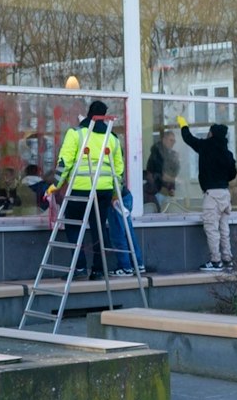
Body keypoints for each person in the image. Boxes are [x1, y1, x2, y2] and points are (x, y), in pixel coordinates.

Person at [56, 100, 138, 276]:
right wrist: (116, 192)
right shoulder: (112, 137)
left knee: (73, 226)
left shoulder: (76, 133)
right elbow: (119, 169)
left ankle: (79, 266)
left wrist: (55, 184)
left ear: (88, 113)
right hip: (104, 190)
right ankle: (99, 269)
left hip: (80, 188)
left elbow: (64, 162)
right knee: (98, 228)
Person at [179, 114, 237, 271]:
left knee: (211, 228)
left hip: (212, 195)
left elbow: (189, 139)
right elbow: (232, 174)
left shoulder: (205, 146)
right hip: (225, 194)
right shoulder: (227, 153)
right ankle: (228, 259)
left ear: (211, 133)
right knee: (224, 228)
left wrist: (183, 125)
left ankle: (215, 261)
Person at [144, 129, 179, 212]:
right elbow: (162, 175)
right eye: (171, 140)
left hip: (163, 192)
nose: (173, 143)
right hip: (155, 192)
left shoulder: (169, 154)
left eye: (174, 141)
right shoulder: (157, 154)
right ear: (164, 140)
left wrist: (171, 187)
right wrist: (176, 180)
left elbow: (170, 172)